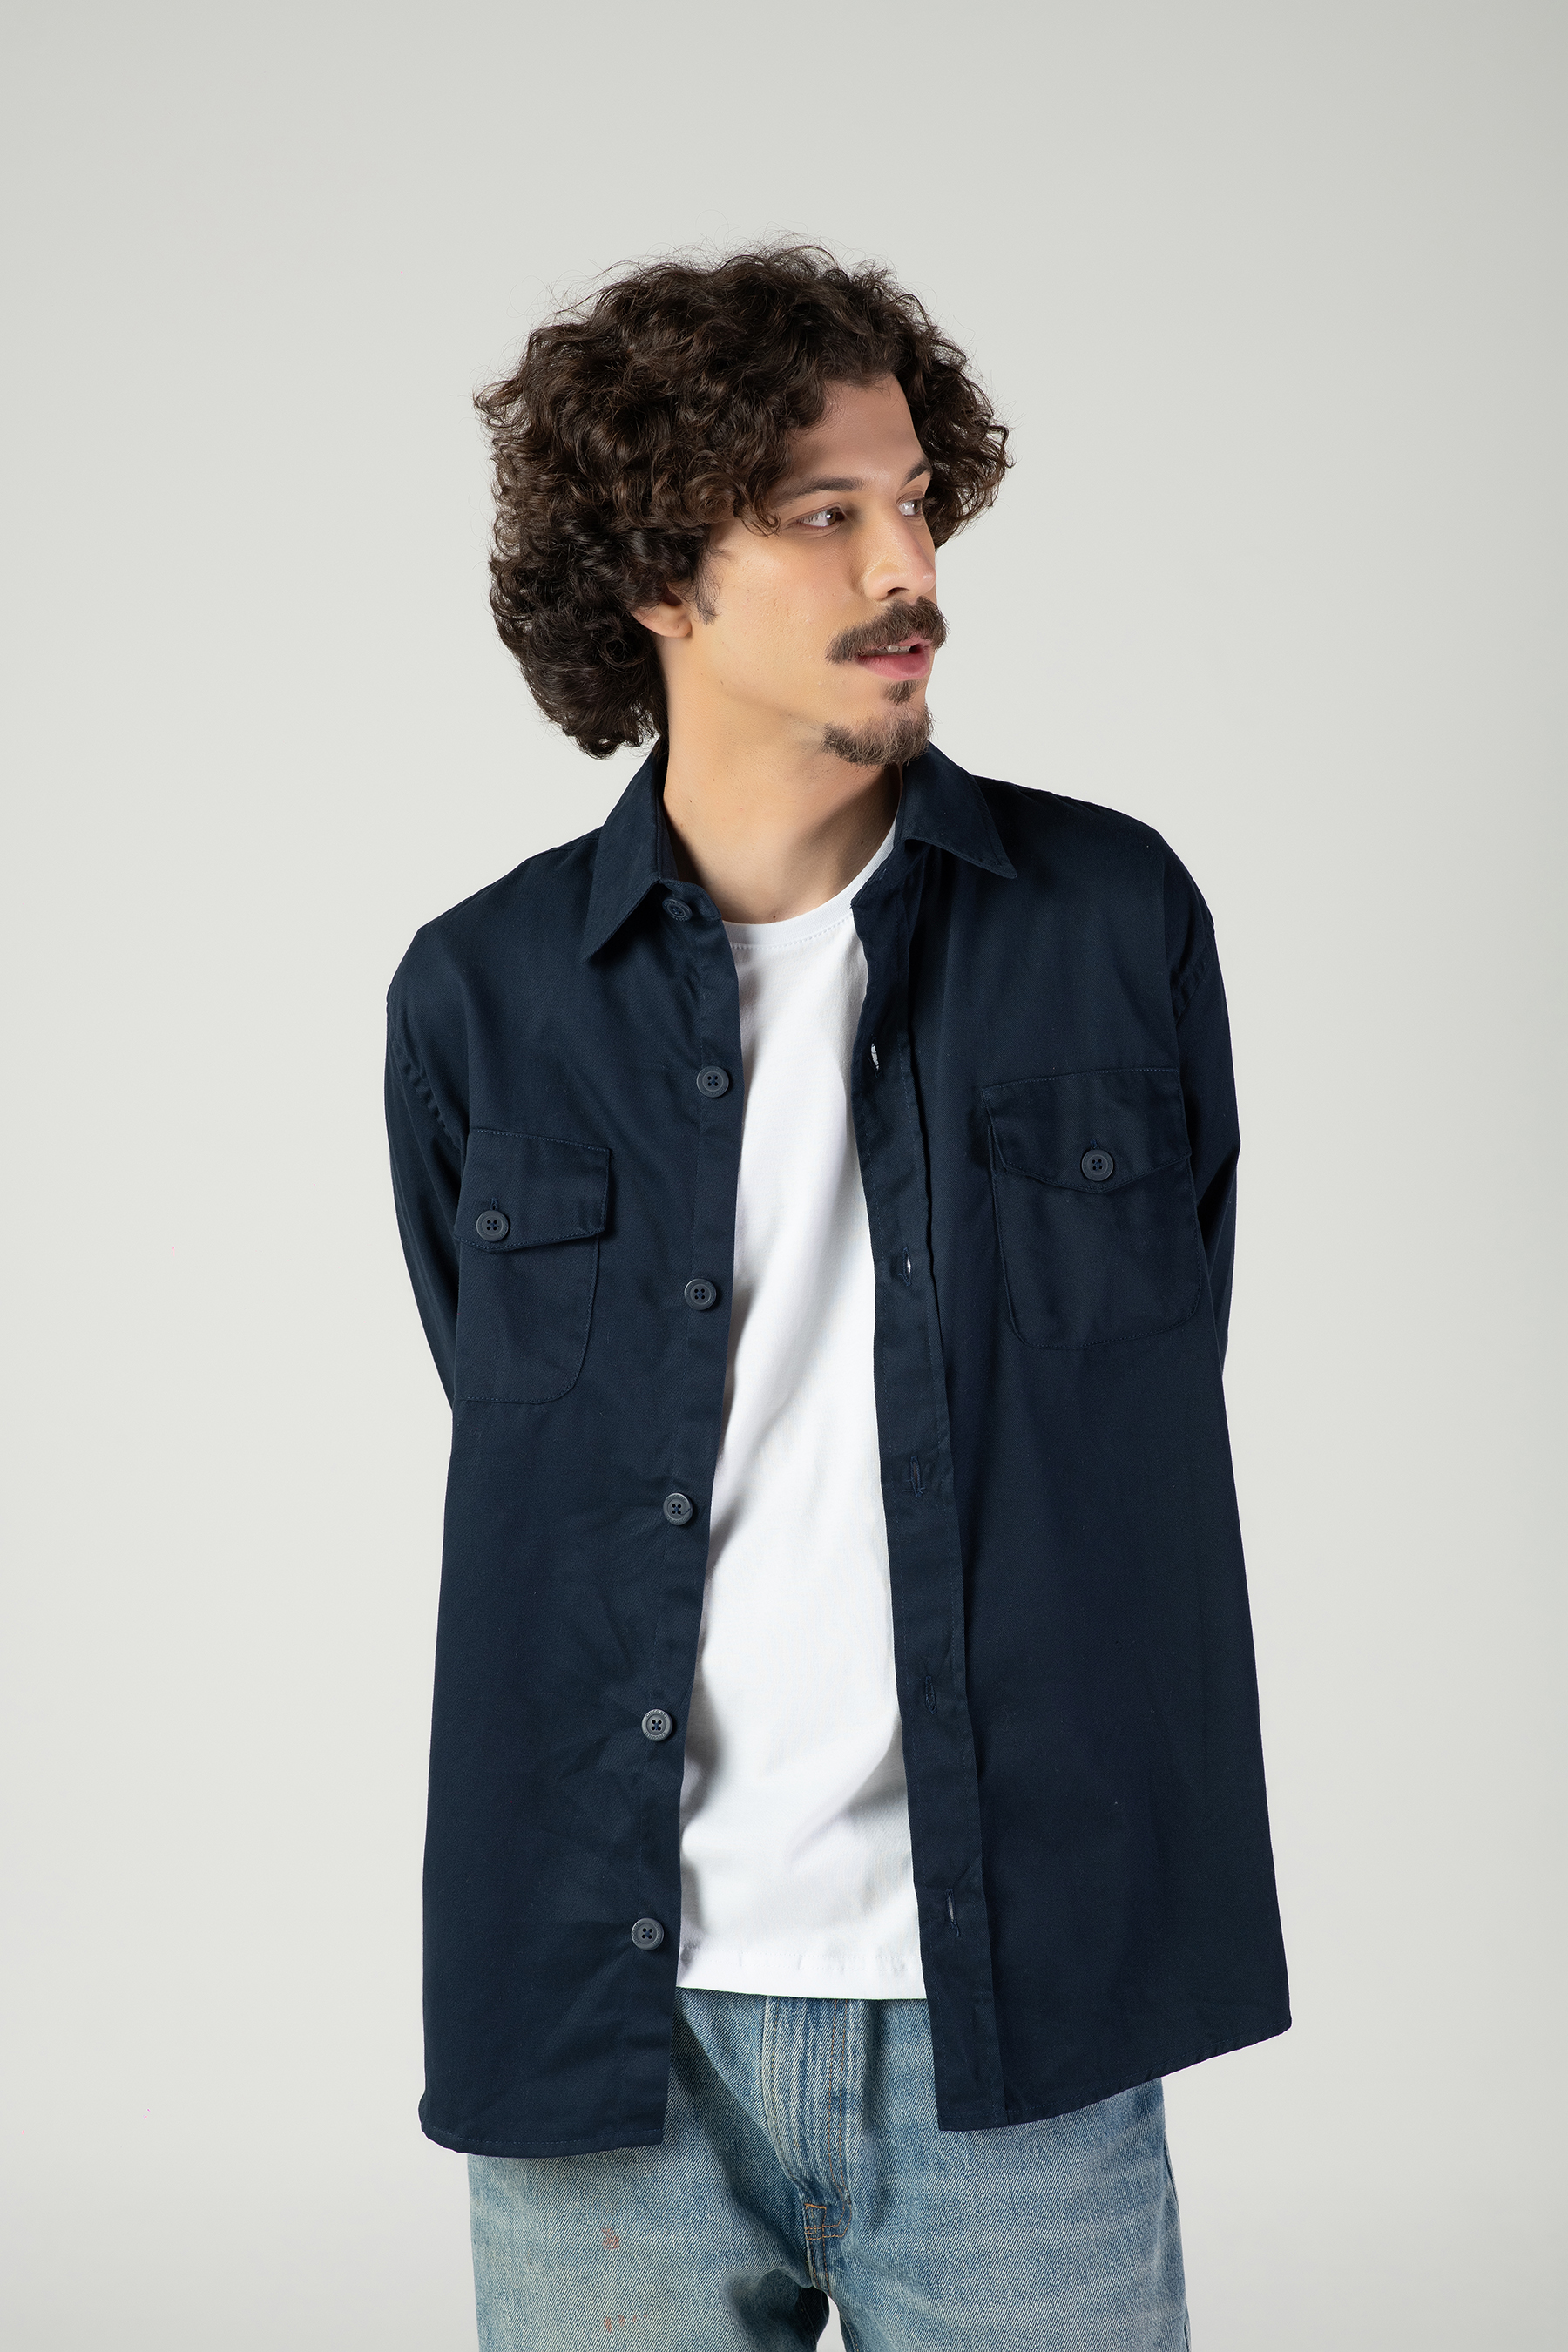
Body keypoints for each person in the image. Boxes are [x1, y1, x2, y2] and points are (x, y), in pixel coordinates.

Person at [384, 245, 1288, 2349]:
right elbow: (507, 1420)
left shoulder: (1114, 924)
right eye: (824, 514)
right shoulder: (483, 997)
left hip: (1019, 2018)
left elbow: (1150, 1383)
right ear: (655, 577)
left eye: (916, 501)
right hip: (603, 2030)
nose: (910, 569)